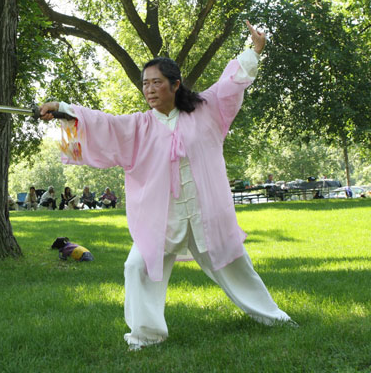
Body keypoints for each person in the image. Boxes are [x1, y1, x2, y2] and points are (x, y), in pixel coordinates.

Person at [40, 20, 295, 351]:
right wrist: (62, 110)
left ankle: (274, 318)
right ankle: (146, 335)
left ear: (175, 84)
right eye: (145, 83)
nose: (148, 89)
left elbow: (231, 84)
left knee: (235, 265)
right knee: (137, 266)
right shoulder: (139, 126)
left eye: (156, 82)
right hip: (162, 218)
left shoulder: (206, 109)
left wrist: (254, 50)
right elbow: (105, 124)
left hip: (206, 213)